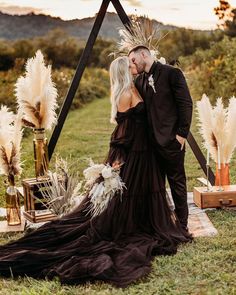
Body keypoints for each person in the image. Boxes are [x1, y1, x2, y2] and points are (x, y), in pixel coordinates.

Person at [0, 56, 192, 288]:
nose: (134, 66)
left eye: (134, 62)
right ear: (124, 70)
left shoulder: (136, 85)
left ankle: (146, 220)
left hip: (146, 152)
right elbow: (123, 132)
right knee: (125, 200)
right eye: (130, 64)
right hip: (135, 154)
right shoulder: (125, 94)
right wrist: (117, 159)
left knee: (145, 193)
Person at [129, 46, 193, 231]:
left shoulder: (172, 73)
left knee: (177, 184)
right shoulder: (140, 80)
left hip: (172, 141)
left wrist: (181, 135)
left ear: (144, 54)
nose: (132, 65)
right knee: (154, 187)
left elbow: (186, 104)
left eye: (133, 60)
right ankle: (160, 223)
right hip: (150, 145)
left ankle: (182, 225)